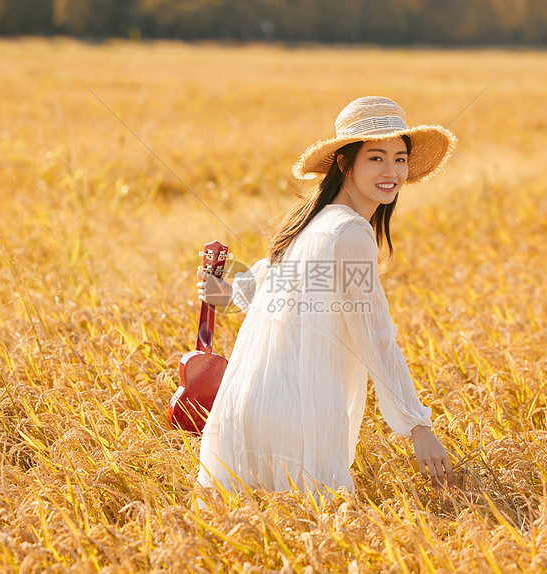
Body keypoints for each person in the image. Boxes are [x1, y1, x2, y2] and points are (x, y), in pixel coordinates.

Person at [195, 96, 456, 496]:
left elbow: (284, 282)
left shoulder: (313, 221)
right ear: (344, 163)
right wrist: (418, 426)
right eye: (376, 158)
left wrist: (230, 293)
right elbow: (376, 336)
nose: (392, 171)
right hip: (298, 414)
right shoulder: (349, 233)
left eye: (400, 159)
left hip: (249, 406)